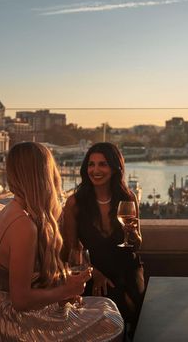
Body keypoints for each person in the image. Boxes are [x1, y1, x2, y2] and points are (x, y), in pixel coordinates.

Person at [0, 142, 123, 341]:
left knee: (106, 307)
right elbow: (21, 300)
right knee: (110, 321)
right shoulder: (23, 226)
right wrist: (65, 291)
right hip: (17, 323)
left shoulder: (13, 209)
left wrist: (62, 290)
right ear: (42, 174)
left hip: (11, 312)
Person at [62, 142, 145, 337]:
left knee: (137, 309)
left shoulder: (128, 198)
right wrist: (94, 273)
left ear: (115, 168)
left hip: (127, 266)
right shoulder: (75, 203)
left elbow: (137, 243)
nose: (96, 170)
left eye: (103, 164)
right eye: (91, 164)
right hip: (95, 270)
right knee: (113, 311)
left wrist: (132, 233)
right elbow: (71, 249)